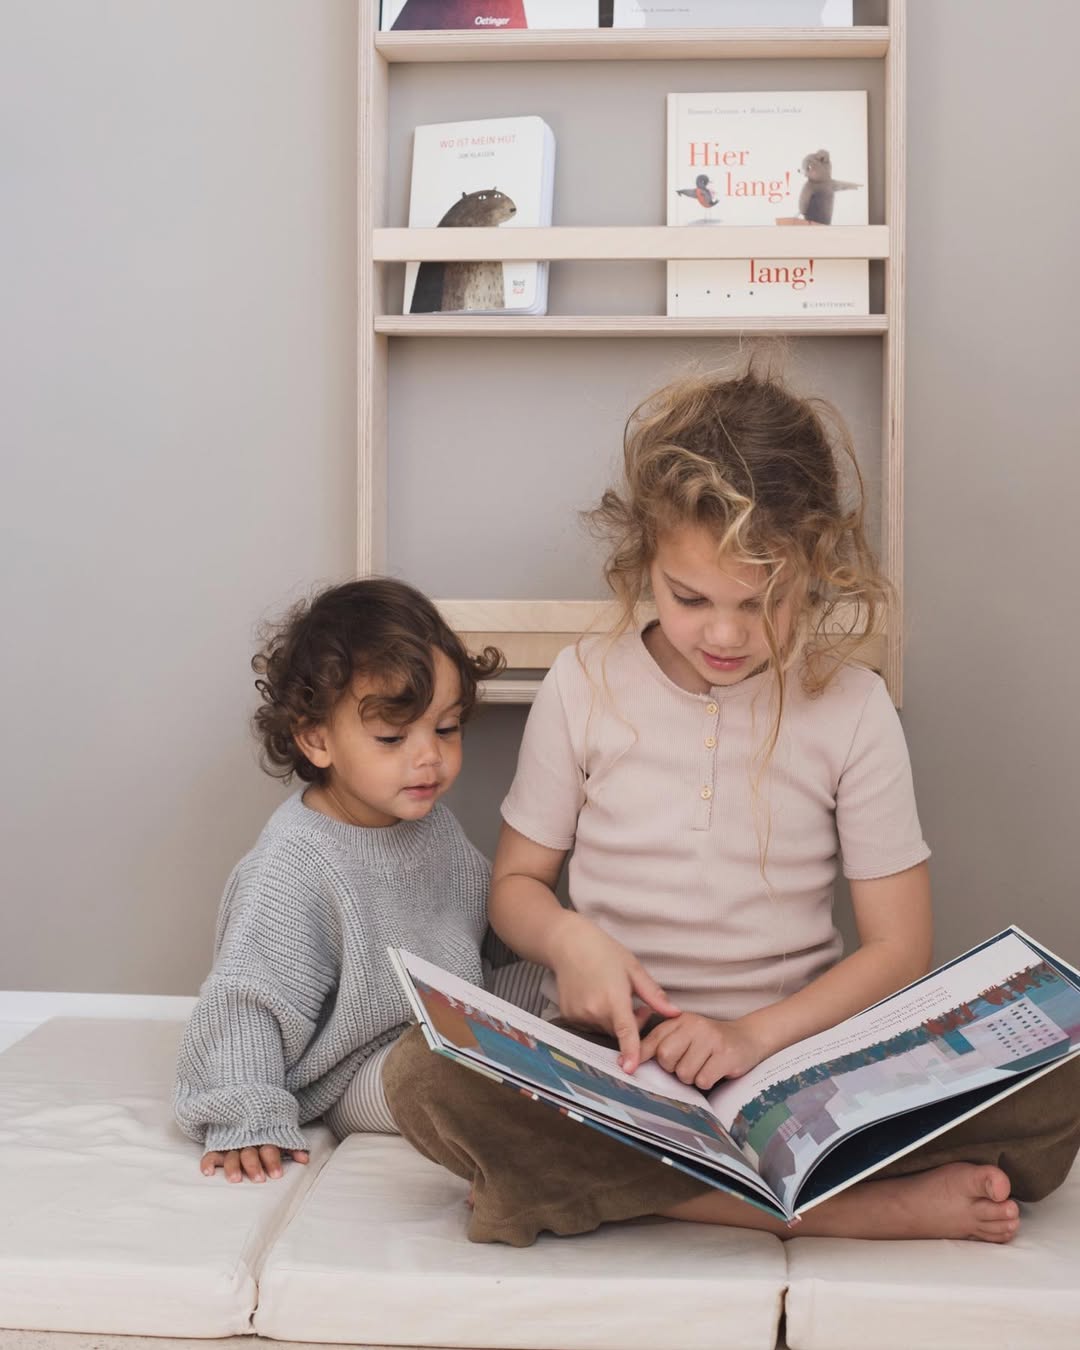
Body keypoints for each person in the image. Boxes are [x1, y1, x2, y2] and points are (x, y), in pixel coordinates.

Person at [383, 361, 1080, 1245]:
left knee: (1057, 1083)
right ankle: (840, 1210)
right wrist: (571, 941)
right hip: (620, 1065)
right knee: (421, 1078)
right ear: (645, 561)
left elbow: (901, 946)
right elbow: (517, 883)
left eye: (764, 602)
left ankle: (593, 1189)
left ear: (816, 569)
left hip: (798, 1065)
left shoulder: (851, 707)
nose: (723, 632)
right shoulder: (584, 683)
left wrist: (752, 1039)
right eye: (690, 598)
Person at [174, 577, 542, 1183]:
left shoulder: (432, 827)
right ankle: (523, 1140)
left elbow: (488, 930)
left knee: (567, 988)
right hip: (362, 1067)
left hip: (450, 1019)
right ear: (317, 738)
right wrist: (247, 1115)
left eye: (446, 729)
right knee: (431, 1072)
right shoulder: (292, 866)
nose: (429, 756)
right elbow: (247, 1001)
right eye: (394, 737)